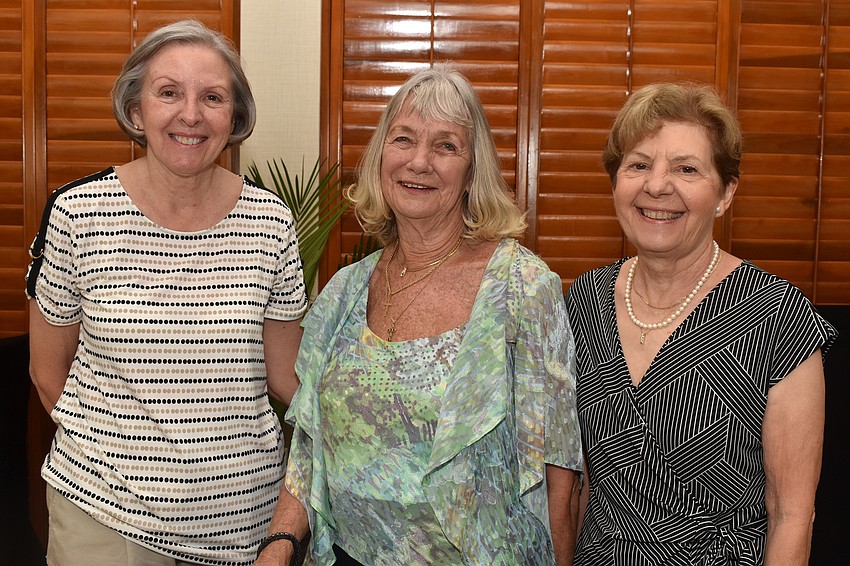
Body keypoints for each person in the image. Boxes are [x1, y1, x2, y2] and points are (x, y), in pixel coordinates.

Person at [253, 65, 583, 566]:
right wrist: (279, 545)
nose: (419, 161)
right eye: (403, 139)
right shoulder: (343, 293)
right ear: (381, 156)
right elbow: (309, 448)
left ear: (473, 172)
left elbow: (558, 471)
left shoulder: (521, 287)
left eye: (446, 146)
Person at [26, 19, 307, 566]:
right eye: (169, 92)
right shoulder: (77, 213)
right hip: (106, 519)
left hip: (243, 523)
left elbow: (285, 377)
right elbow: (47, 373)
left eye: (212, 97)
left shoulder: (271, 222)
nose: (191, 114)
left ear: (234, 118)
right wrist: (130, 467)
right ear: (136, 111)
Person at [564, 82, 838, 565]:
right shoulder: (584, 300)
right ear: (616, 182)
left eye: (686, 168)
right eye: (638, 165)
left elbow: (792, 516)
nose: (657, 186)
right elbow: (578, 483)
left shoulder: (777, 318)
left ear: (726, 193)